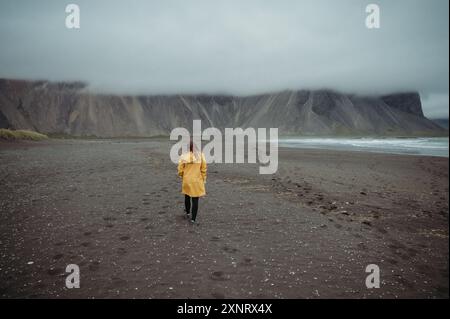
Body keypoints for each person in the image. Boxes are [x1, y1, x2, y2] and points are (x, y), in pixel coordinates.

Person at [178, 140, 207, 224]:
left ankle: (187, 213)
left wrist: (182, 175)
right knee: (195, 199)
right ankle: (193, 219)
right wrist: (203, 178)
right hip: (196, 180)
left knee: (187, 196)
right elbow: (204, 168)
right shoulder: (201, 155)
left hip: (187, 179)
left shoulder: (184, 156)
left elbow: (180, 168)